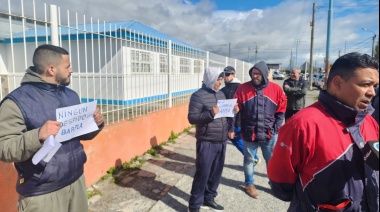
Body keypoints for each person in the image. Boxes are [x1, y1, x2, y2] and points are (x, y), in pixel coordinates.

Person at [268, 52, 379, 211]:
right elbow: (281, 185)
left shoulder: (369, 121)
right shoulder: (301, 125)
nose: (372, 92)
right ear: (338, 83)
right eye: (365, 84)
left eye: (374, 86)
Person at [0, 44, 105, 212]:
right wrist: (38, 136)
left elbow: (78, 134)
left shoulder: (70, 95)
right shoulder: (16, 102)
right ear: (51, 69)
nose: (71, 70)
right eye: (67, 66)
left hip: (76, 182)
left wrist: (95, 123)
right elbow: (4, 148)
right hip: (41, 194)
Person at [233, 61, 287, 199]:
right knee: (249, 159)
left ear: (264, 74)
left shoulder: (276, 89)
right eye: (253, 73)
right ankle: (249, 185)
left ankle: (274, 184)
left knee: (271, 161)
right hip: (249, 132)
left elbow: (281, 111)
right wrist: (234, 113)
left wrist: (275, 129)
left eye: (257, 74)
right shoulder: (242, 89)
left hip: (269, 133)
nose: (255, 76)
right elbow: (234, 109)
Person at [187, 67, 238, 212]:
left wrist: (233, 112)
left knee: (216, 173)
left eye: (222, 79)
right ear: (210, 79)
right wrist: (210, 113)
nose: (220, 82)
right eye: (218, 79)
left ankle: (209, 198)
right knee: (202, 174)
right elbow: (192, 118)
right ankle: (194, 205)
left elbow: (226, 115)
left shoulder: (221, 94)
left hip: (221, 140)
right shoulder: (198, 96)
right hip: (206, 141)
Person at [220, 66, 260, 165]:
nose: (225, 77)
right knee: (240, 139)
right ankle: (253, 156)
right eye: (224, 75)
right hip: (239, 120)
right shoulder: (232, 88)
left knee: (236, 139)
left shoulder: (235, 88)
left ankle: (253, 157)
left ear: (233, 75)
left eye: (228, 74)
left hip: (236, 120)